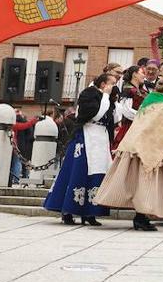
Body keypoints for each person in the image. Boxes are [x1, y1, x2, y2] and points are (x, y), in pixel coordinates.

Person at [96, 77, 163, 231]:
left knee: (136, 183)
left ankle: (140, 217)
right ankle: (141, 218)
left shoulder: (148, 100)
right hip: (149, 151)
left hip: (134, 146)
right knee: (146, 184)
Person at [44, 73, 118, 226]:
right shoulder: (89, 94)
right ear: (103, 84)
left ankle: (90, 213)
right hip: (87, 137)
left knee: (98, 172)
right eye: (112, 83)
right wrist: (105, 97)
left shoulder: (108, 98)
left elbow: (114, 119)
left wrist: (113, 101)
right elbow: (96, 115)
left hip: (101, 139)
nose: (114, 86)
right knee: (77, 171)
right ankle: (68, 211)